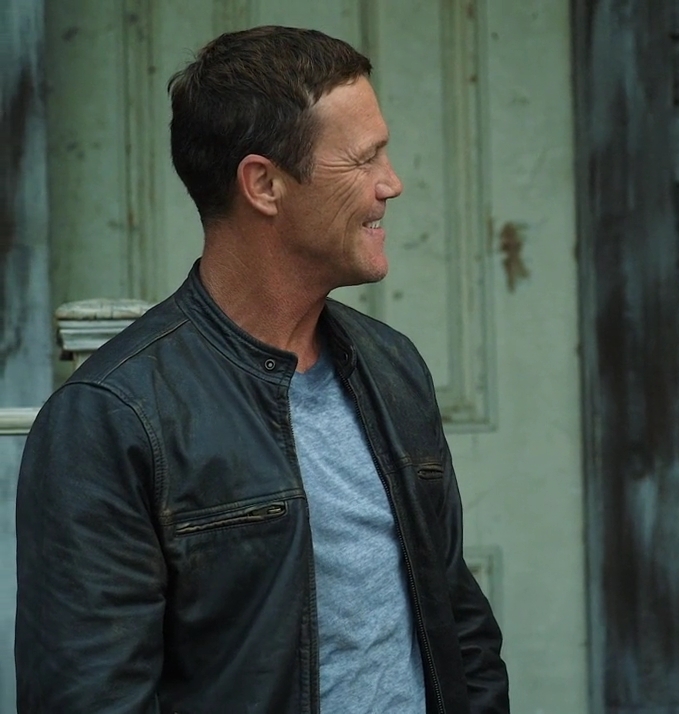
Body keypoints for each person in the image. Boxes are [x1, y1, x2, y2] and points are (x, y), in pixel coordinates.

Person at [15, 26, 509, 712]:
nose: (391, 184)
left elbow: (460, 630)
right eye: (363, 159)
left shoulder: (392, 367)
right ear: (264, 184)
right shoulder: (110, 418)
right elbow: (92, 695)